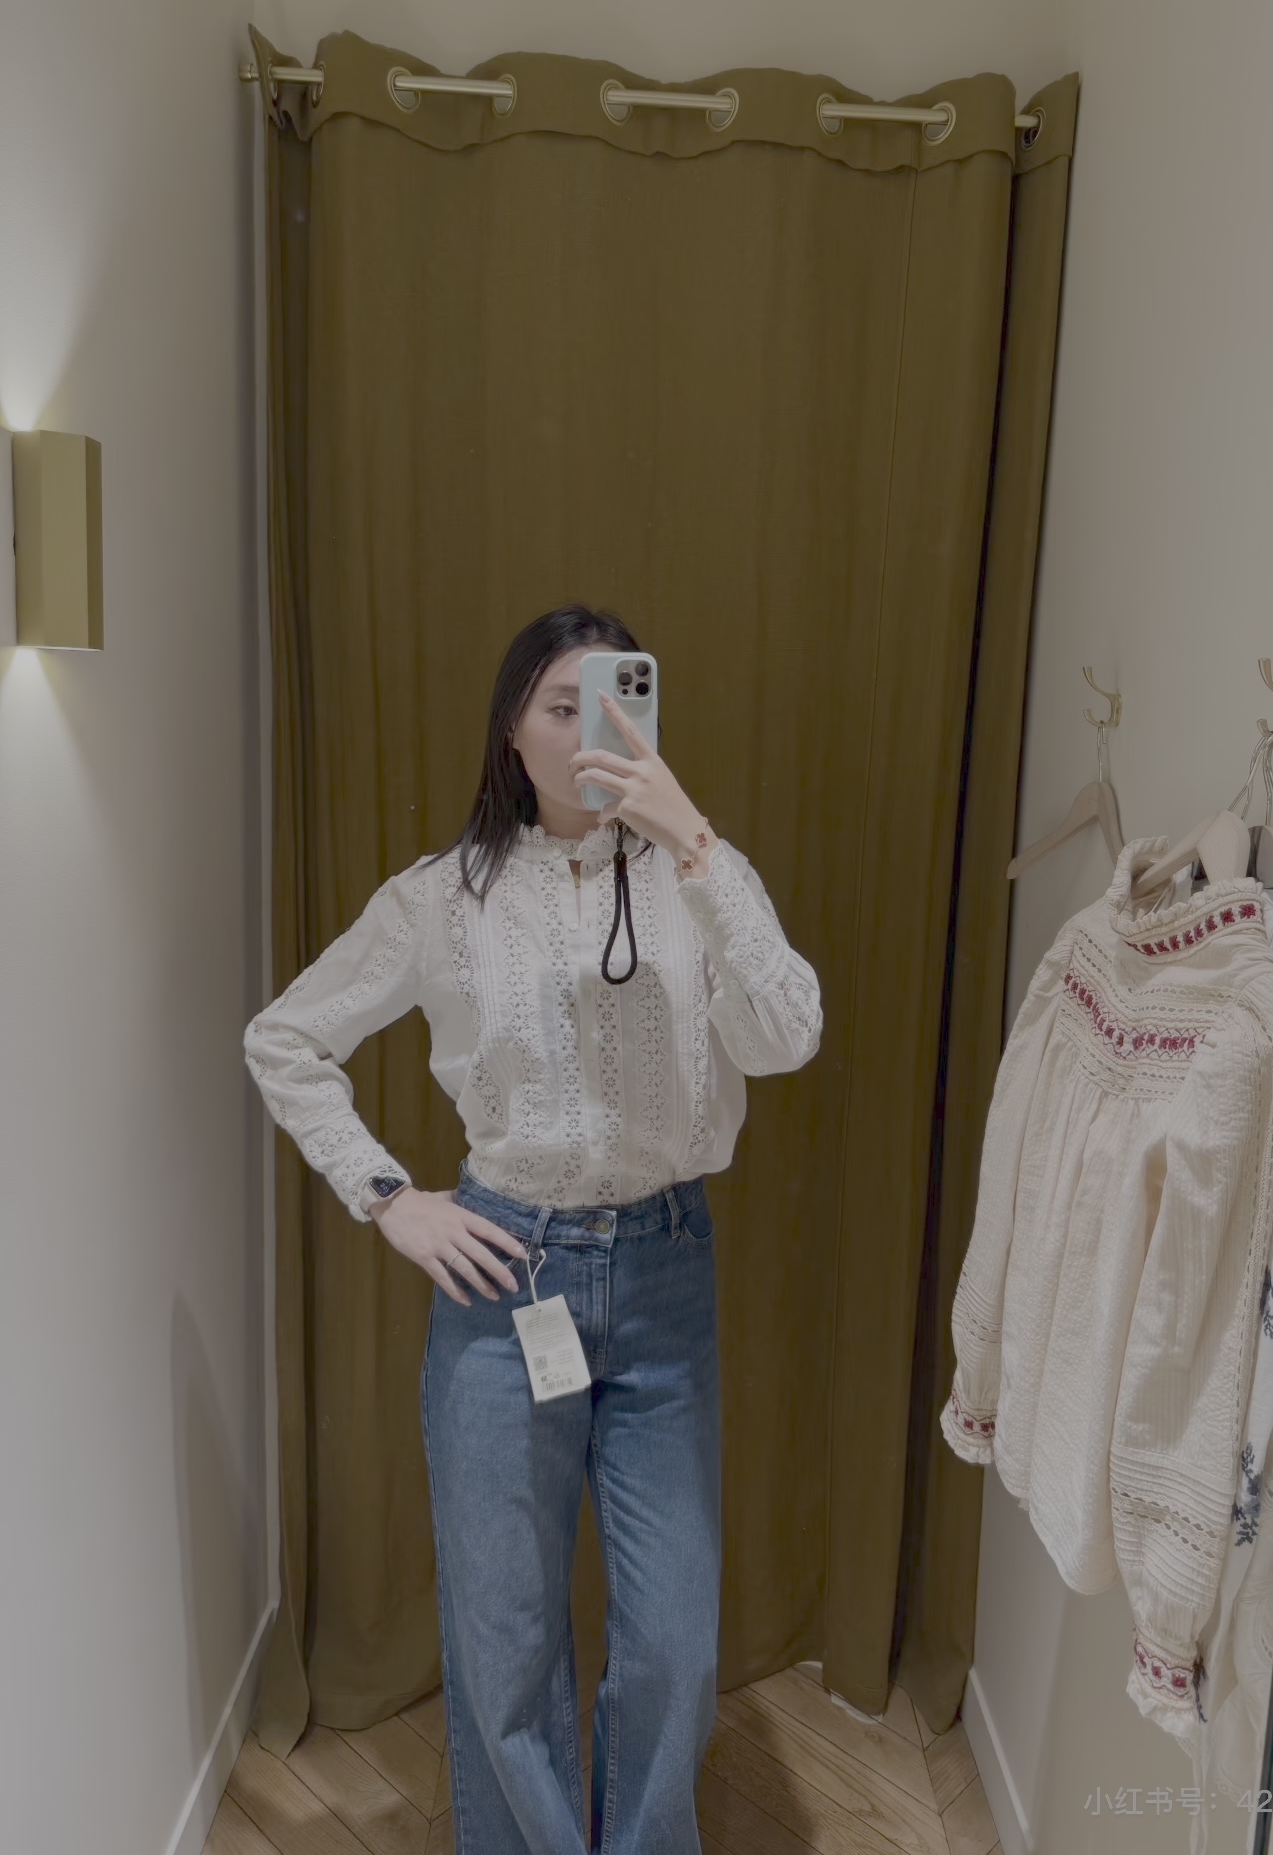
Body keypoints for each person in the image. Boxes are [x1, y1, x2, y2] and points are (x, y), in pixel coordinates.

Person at [243, 602, 823, 1855]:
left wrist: (695, 844)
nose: (590, 732)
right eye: (562, 707)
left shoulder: (697, 877)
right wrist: (391, 1198)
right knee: (503, 1646)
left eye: (616, 702)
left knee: (673, 1645)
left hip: (664, 1278)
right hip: (507, 1285)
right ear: (512, 729)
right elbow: (284, 1039)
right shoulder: (443, 900)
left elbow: (787, 1035)